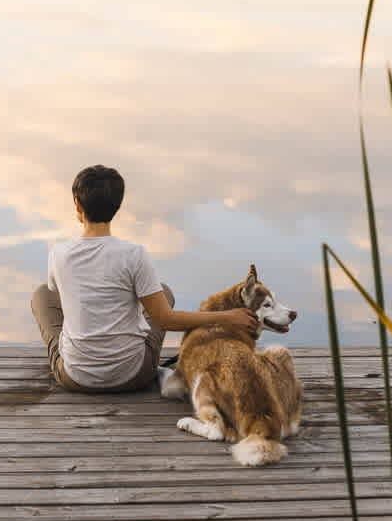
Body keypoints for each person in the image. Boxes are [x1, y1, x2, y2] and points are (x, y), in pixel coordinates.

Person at [31, 164, 258, 392]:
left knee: (42, 295)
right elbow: (165, 320)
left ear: (78, 205)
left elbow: (66, 309)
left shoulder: (58, 254)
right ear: (117, 206)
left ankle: (79, 354)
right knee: (163, 292)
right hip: (132, 375)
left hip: (76, 378)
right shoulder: (134, 254)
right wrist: (228, 317)